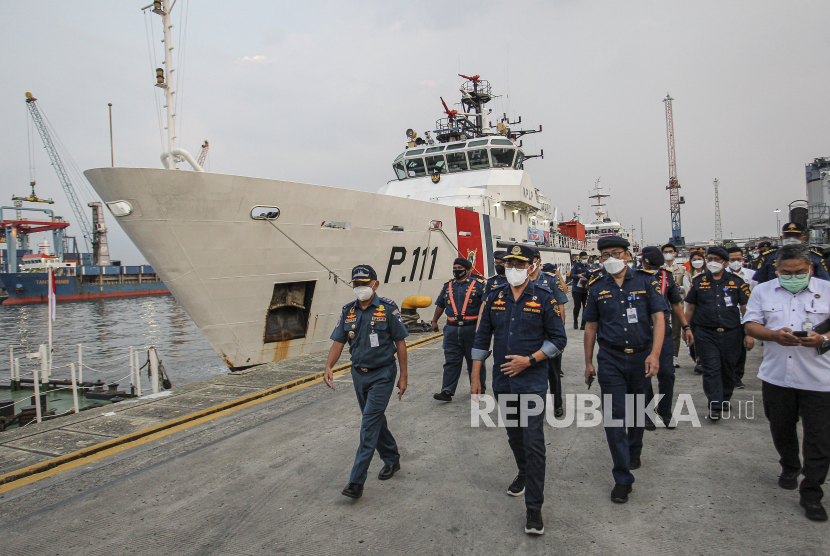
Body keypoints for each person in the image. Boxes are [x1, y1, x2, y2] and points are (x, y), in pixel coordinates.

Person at [470, 244, 568, 535]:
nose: (512, 268)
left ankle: (534, 508)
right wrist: (476, 375)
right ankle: (523, 471)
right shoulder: (494, 297)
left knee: (534, 442)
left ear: (530, 266)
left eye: (518, 263)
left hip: (532, 383)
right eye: (508, 263)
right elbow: (482, 337)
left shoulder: (544, 298)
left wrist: (530, 360)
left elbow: (558, 340)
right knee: (514, 435)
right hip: (502, 383)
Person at [743, 244, 830, 522]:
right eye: (786, 273)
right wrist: (773, 335)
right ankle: (790, 465)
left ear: (810, 269)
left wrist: (823, 339)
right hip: (777, 376)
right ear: (777, 270)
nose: (793, 276)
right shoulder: (763, 290)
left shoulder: (826, 290)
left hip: (819, 379)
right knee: (781, 428)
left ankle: (812, 492)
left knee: (819, 439)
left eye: (799, 272)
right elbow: (750, 325)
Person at [583, 237, 667, 503]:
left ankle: (635, 448)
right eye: (604, 255)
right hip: (610, 359)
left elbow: (659, 319)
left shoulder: (645, 281)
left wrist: (655, 355)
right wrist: (588, 362)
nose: (610, 258)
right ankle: (622, 477)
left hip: (641, 356)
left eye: (615, 253)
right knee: (614, 417)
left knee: (637, 410)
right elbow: (591, 328)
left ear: (628, 255)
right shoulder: (597, 287)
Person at [324, 265, 409, 499]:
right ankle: (392, 459)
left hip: (382, 374)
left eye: (364, 283)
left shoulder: (388, 309)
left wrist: (403, 376)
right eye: (356, 284)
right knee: (374, 418)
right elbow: (339, 341)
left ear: (375, 284)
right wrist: (329, 366)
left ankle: (356, 482)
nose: (360, 288)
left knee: (368, 425)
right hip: (358, 374)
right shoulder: (348, 311)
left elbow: (400, 342)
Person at [684, 246, 753, 421]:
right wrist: (686, 328)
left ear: (725, 262)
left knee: (728, 369)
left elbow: (746, 309)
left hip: (732, 332)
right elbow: (690, 307)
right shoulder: (698, 281)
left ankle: (725, 398)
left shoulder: (737, 281)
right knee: (711, 369)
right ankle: (714, 404)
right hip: (706, 333)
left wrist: (749, 333)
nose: (712, 262)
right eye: (710, 258)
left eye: (717, 259)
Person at [641, 246, 690, 429]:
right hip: (643, 331)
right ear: (643, 262)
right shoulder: (635, 277)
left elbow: (676, 303)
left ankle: (665, 410)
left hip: (664, 330)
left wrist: (686, 326)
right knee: (644, 374)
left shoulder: (666, 276)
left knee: (667, 373)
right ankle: (648, 413)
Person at [432, 257, 487, 401]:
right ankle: (447, 391)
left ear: (468, 270)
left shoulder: (479, 285)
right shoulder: (448, 286)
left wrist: (485, 327)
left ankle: (478, 389)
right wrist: (434, 321)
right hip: (451, 329)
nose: (457, 271)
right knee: (451, 361)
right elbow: (440, 305)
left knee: (474, 361)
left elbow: (485, 307)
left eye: (460, 269)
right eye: (455, 268)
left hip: (472, 329)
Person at [538, 259, 568, 418]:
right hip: (531, 335)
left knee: (554, 373)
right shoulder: (520, 281)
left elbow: (561, 306)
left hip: (550, 334)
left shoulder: (550, 279)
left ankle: (557, 404)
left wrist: (559, 333)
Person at [754, 223, 830, 283]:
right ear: (782, 238)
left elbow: (824, 281)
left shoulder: (814, 257)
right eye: (787, 236)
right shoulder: (769, 257)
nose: (791, 239)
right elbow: (760, 281)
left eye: (796, 236)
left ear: (803, 239)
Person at [727, 245, 756, 389]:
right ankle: (727, 376)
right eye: (733, 259)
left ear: (743, 259)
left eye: (738, 259)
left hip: (744, 316)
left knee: (740, 350)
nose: (736, 262)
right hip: (727, 317)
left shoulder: (751, 275)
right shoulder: (721, 274)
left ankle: (737, 377)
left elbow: (757, 296)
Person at [662, 243, 687, 368]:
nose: (668, 253)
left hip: (677, 303)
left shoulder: (681, 269)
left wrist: (678, 288)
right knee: (663, 330)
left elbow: (686, 287)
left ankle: (674, 357)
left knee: (676, 332)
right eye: (666, 251)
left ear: (675, 253)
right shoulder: (660, 269)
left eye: (670, 251)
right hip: (663, 303)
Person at [683, 249, 707, 373]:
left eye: (699, 259)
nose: (697, 262)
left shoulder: (709, 274)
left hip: (706, 309)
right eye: (694, 260)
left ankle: (701, 360)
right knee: (693, 335)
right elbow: (689, 294)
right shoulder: (687, 276)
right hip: (692, 309)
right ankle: (696, 357)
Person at [570, 251, 591, 330]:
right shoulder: (575, 266)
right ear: (580, 259)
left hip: (585, 289)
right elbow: (571, 275)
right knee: (577, 306)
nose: (585, 260)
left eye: (586, 258)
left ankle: (583, 324)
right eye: (583, 259)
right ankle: (575, 321)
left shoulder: (588, 267)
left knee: (585, 307)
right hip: (577, 289)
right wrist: (578, 275)